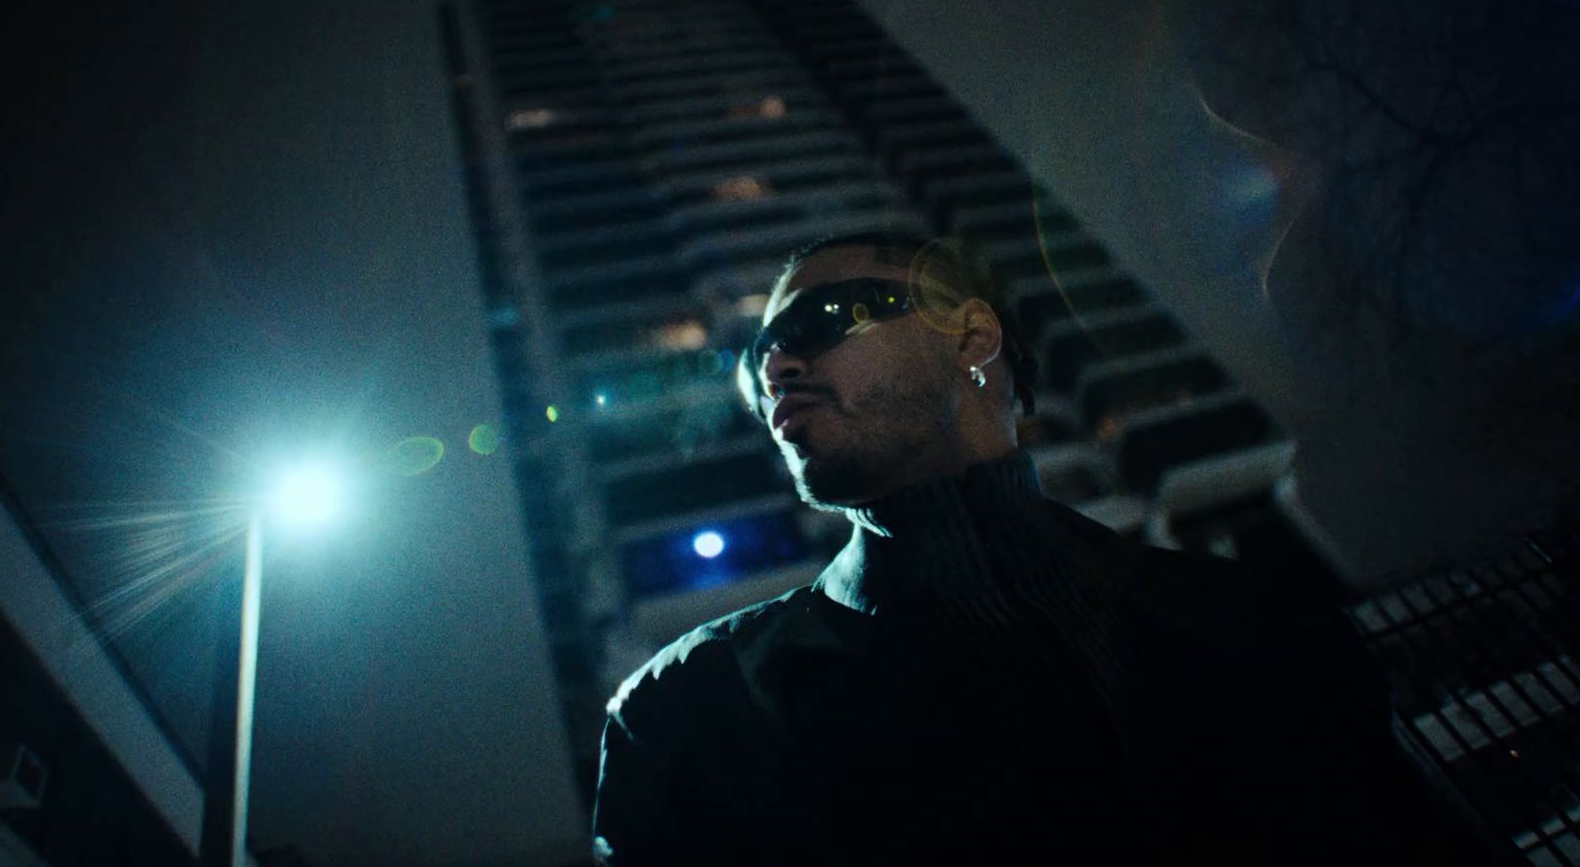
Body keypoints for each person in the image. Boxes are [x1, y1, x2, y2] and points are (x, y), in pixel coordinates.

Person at [591, 231, 1502, 864]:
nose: (778, 366)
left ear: (971, 332)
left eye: (821, 320)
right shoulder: (690, 709)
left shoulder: (1257, 624)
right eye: (760, 361)